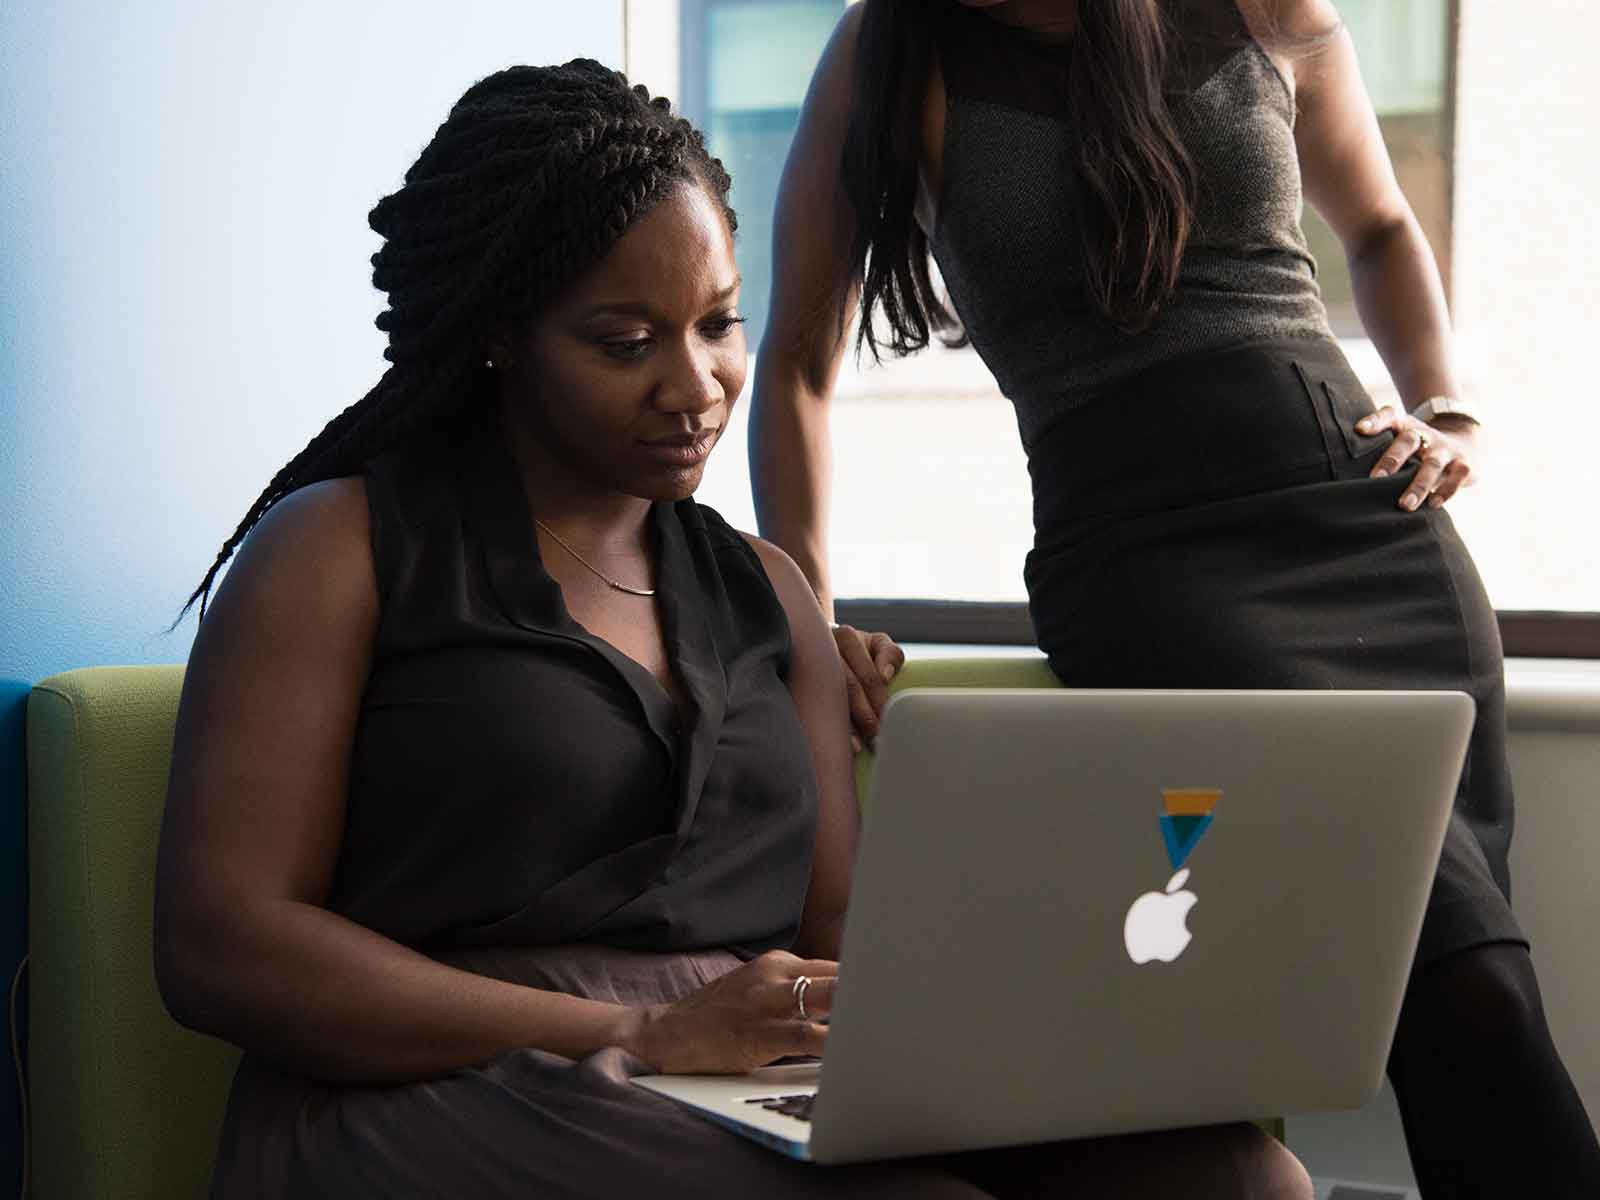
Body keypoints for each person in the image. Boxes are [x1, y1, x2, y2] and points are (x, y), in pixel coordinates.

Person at [153, 60, 1311, 1199]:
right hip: (440, 1085)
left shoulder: (765, 590)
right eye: (625, 341)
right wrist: (645, 1030)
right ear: (500, 335)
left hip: (750, 1070)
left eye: (718, 323)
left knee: (1238, 1174)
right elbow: (223, 946)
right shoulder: (340, 547)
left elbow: (844, 929)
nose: (696, 384)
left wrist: (1025, 1029)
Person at [749, 1, 1600, 1196]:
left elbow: (1382, 222)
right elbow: (793, 361)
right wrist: (810, 624)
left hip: (1363, 527)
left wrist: (1447, 406)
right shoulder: (891, 47)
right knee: (1445, 992)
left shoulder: (1260, 6)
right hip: (1142, 568)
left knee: (1480, 995)